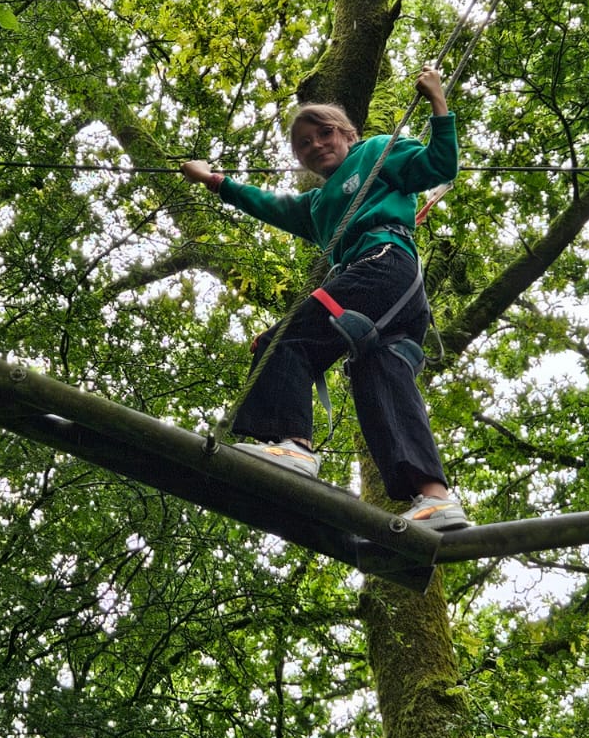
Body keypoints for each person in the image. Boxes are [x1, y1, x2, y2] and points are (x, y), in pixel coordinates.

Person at [181, 66, 469, 531]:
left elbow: (439, 166)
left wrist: (437, 100)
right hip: (391, 297)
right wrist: (214, 181)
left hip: (384, 264)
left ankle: (291, 445)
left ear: (349, 135)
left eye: (325, 133)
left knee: (283, 340)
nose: (315, 144)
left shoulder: (377, 152)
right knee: (379, 377)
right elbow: (265, 202)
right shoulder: (316, 208)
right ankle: (436, 500)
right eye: (304, 144)